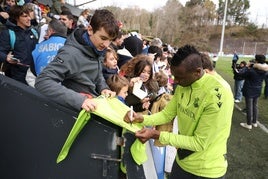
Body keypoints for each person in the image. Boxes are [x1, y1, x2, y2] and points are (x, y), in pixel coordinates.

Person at [124, 45, 234, 179]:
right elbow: (167, 114)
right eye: (175, 76)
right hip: (182, 162)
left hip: (206, 170)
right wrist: (141, 119)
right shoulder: (184, 84)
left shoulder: (218, 96)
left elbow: (199, 143)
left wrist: (156, 134)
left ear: (197, 72)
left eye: (180, 77)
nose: (176, 81)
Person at [35, 9, 119, 112]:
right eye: (103, 38)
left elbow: (97, 73)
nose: (106, 45)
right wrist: (80, 101)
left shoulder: (97, 48)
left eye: (110, 40)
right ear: (90, 30)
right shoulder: (70, 53)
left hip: (91, 104)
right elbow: (43, 81)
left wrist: (103, 88)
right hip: (73, 111)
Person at [0, 5, 38, 84]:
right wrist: (6, 58)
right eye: (25, 16)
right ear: (17, 18)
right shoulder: (8, 33)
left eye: (29, 16)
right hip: (15, 77)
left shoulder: (34, 32)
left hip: (33, 75)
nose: (29, 19)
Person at [26, 18, 67, 87]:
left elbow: (30, 77)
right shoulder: (71, 48)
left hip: (40, 88)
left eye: (47, 30)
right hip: (62, 92)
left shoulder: (38, 48)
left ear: (51, 31)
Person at [236, 55, 267, 129]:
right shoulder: (264, 71)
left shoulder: (251, 71)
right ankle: (254, 122)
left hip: (250, 90)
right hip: (258, 90)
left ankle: (249, 124)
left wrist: (246, 66)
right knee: (255, 106)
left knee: (249, 107)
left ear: (256, 61)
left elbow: (240, 74)